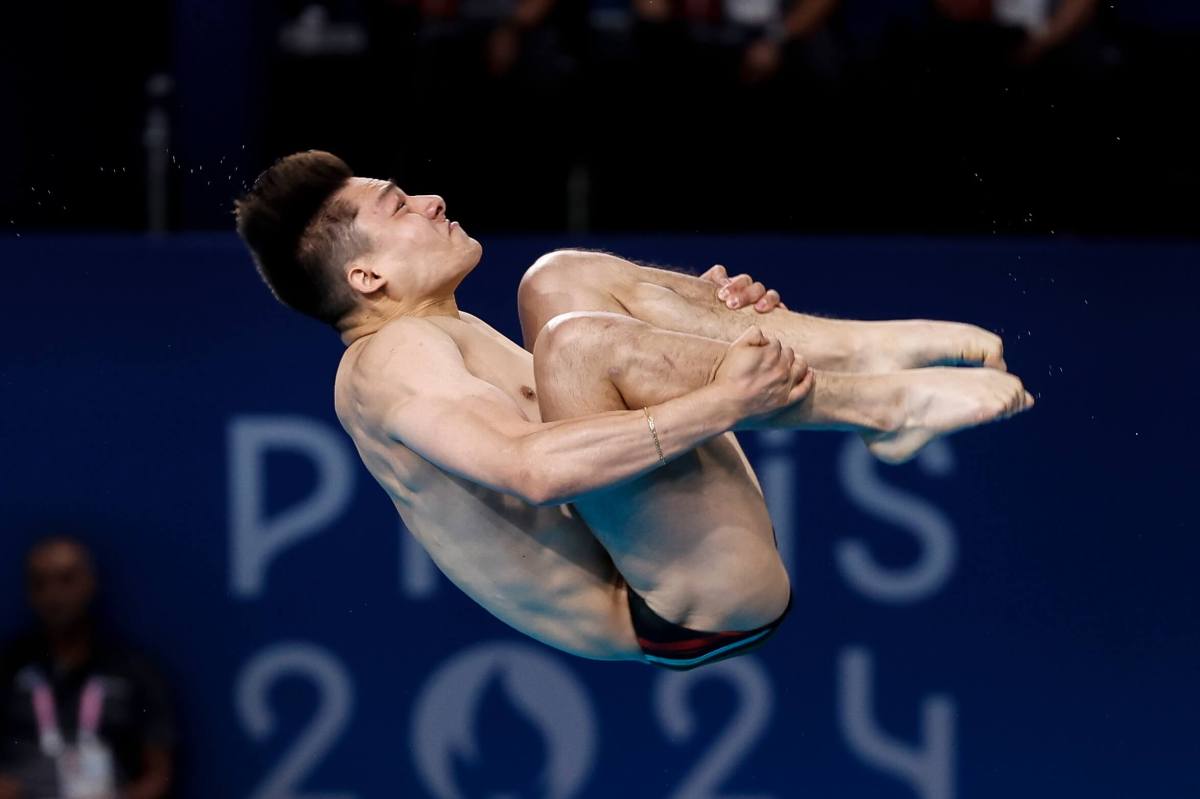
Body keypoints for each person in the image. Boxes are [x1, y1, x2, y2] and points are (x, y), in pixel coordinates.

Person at [234, 150, 1032, 669]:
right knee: (579, 343)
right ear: (367, 279)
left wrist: (709, 318)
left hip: (664, 547)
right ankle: (879, 404)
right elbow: (531, 468)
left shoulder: (441, 330)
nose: (433, 200)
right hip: (673, 605)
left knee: (560, 280)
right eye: (400, 205)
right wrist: (725, 395)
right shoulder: (384, 364)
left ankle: (861, 353)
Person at [0, 537, 175, 799]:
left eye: (66, 579)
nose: (54, 594)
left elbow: (160, 774)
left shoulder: (135, 672)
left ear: (91, 584)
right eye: (40, 583)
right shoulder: (6, 669)